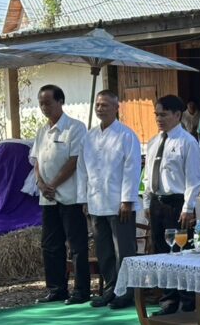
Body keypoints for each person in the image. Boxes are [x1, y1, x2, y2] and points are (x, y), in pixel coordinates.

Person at [31, 84, 91, 305]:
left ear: (60, 101)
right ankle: (57, 288)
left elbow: (74, 160)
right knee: (50, 244)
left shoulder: (75, 127)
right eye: (41, 103)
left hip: (70, 196)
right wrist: (40, 183)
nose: (44, 107)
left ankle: (81, 290)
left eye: (48, 103)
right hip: (47, 197)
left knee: (76, 245)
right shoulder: (42, 131)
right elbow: (37, 160)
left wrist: (53, 184)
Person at [144, 95, 200, 315]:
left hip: (177, 203)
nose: (159, 119)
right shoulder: (154, 142)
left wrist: (188, 207)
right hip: (157, 202)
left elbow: (193, 179)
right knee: (162, 252)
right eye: (156, 115)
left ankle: (187, 303)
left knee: (181, 252)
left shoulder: (187, 141)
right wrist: (147, 202)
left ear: (178, 115)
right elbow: (148, 175)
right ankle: (168, 301)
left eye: (164, 115)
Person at [83, 90, 141, 309]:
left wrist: (127, 200)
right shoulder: (89, 136)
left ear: (117, 108)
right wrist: (84, 199)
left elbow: (132, 169)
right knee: (104, 250)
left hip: (119, 203)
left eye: (105, 105)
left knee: (123, 251)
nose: (100, 109)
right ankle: (110, 289)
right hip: (96, 201)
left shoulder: (126, 135)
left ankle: (126, 293)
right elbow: (83, 170)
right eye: (98, 105)